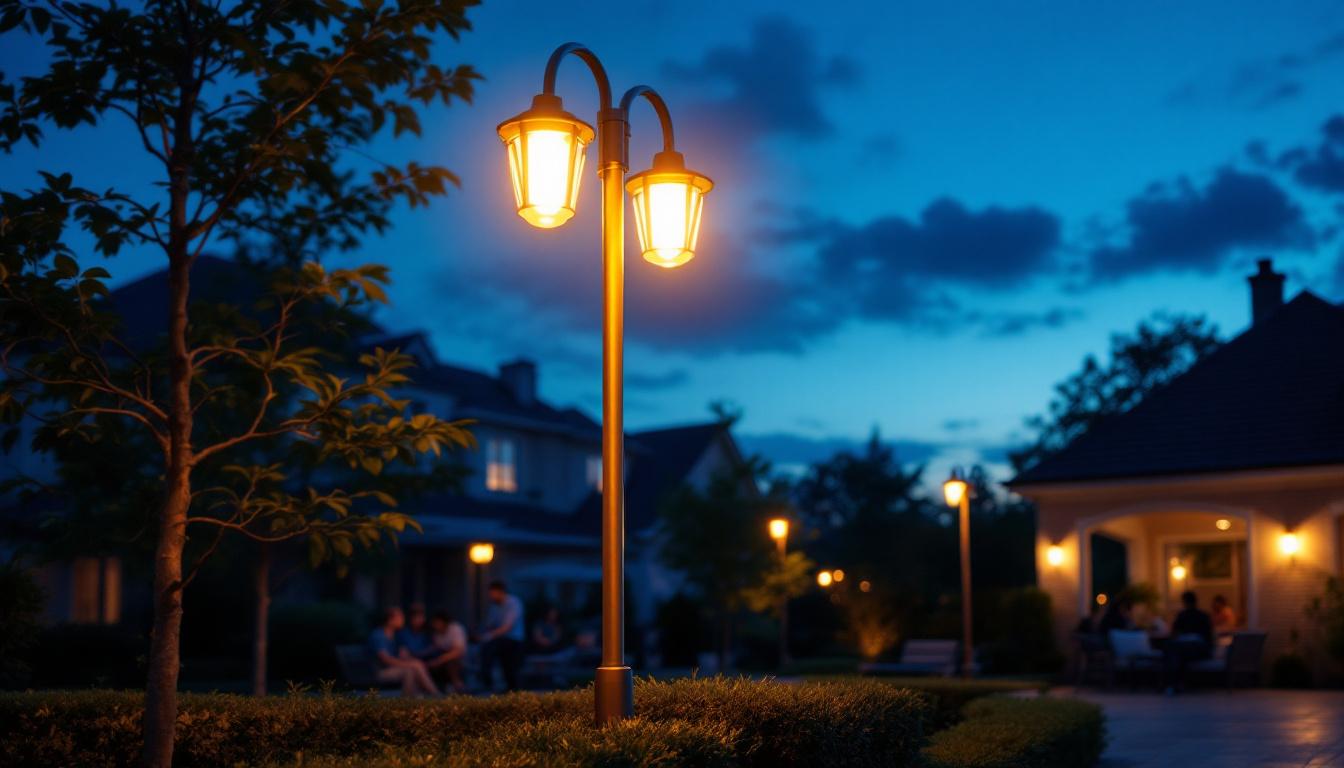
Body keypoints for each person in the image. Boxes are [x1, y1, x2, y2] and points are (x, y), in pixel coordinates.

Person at [367, 607, 439, 697]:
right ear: (390, 620)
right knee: (410, 670)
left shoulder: (396, 635)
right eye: (400, 617)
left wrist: (407, 658)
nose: (403, 619)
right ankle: (433, 695)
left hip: (392, 669)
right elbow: (385, 659)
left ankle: (423, 695)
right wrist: (410, 664)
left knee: (415, 667)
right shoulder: (379, 635)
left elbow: (401, 655)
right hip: (380, 672)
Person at [1163, 591, 1213, 694]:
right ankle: (1176, 684)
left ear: (1185, 602)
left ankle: (1172, 684)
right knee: (1176, 654)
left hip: (1195, 648)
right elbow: (1209, 637)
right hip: (1196, 649)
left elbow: (1174, 633)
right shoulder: (1203, 615)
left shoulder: (1183, 615)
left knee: (1173, 652)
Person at [479, 580, 525, 691]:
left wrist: (489, 636)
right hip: (499, 640)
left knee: (510, 668)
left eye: (492, 593)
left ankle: (511, 688)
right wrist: (481, 634)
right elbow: (489, 624)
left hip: (513, 640)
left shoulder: (513, 603)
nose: (490, 596)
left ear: (500, 591)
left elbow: (508, 626)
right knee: (488, 651)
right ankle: (488, 681)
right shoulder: (494, 607)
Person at [425, 609, 468, 692]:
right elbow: (435, 648)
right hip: (443, 660)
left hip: (460, 660)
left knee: (451, 662)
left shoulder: (455, 629)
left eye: (436, 623)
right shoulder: (436, 633)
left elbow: (459, 651)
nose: (434, 625)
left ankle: (458, 685)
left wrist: (440, 660)